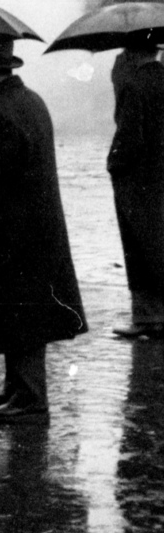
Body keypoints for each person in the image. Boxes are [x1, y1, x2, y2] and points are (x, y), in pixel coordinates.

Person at [0, 38, 86, 423]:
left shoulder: (1, 111)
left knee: (21, 314)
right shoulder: (28, 100)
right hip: (33, 228)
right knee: (21, 313)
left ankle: (30, 399)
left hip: (15, 232)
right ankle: (18, 390)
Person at [107, 36, 164, 339]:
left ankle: (147, 317)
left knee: (140, 247)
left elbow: (128, 139)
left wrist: (112, 164)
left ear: (130, 52)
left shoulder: (134, 85)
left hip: (139, 182)